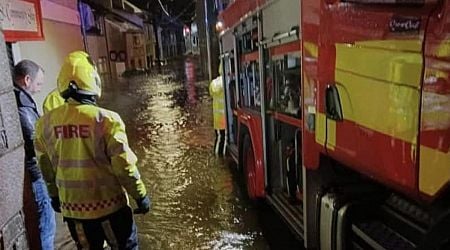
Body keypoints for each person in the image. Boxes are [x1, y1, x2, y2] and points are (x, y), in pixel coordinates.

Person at [34, 51, 151, 249]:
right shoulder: (107, 120)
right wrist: (140, 196)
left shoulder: (44, 124)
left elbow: (45, 167)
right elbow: (124, 166)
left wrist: (54, 196)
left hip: (74, 211)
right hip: (111, 207)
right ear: (92, 81)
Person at [13, 59, 56, 249]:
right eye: (38, 84)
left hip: (29, 174)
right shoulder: (23, 108)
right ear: (27, 80)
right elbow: (35, 142)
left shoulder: (18, 101)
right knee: (46, 224)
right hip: (35, 174)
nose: (39, 89)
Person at [209, 63, 226, 156]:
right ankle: (220, 158)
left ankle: (218, 157)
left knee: (219, 138)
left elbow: (211, 93)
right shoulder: (226, 81)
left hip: (217, 118)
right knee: (223, 139)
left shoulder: (214, 83)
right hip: (225, 118)